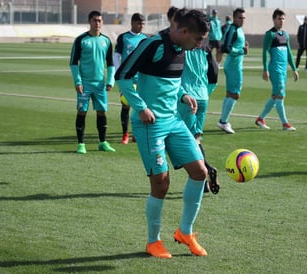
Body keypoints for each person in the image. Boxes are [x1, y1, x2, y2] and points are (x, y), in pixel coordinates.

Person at [115, 9, 210, 259]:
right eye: (198, 39)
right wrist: (142, 107)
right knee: (161, 183)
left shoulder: (183, 49)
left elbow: (172, 81)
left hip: (174, 121)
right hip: (150, 125)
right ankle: (153, 241)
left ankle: (185, 232)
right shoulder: (153, 44)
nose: (200, 44)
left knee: (200, 172)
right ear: (185, 32)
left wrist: (183, 95)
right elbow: (122, 76)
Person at [177, 38, 220, 195]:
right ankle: (203, 184)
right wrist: (206, 92)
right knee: (196, 139)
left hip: (187, 98)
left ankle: (207, 169)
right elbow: (214, 72)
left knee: (185, 142)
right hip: (203, 96)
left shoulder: (182, 46)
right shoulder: (205, 47)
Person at [69, 10, 116, 154]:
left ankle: (102, 142)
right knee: (82, 112)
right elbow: (73, 63)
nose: (98, 23)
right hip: (85, 83)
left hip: (100, 84)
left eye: (100, 20)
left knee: (102, 112)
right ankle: (81, 144)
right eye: (95, 20)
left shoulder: (106, 41)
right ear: (90, 22)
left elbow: (110, 64)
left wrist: (110, 81)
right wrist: (78, 82)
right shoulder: (81, 40)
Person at [255, 8, 299, 131]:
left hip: (283, 70)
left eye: (283, 19)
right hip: (275, 69)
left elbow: (289, 52)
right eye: (279, 19)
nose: (281, 21)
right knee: (280, 96)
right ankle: (285, 124)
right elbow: (264, 52)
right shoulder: (270, 34)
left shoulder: (285, 35)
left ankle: (260, 118)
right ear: (274, 19)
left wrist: (294, 69)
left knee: (275, 96)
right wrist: (265, 69)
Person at [114, 13, 147, 144]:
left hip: (140, 79)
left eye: (143, 24)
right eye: (139, 23)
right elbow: (116, 56)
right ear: (133, 23)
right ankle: (125, 134)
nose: (141, 26)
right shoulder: (124, 38)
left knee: (140, 107)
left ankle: (136, 134)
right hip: (126, 78)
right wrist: (118, 73)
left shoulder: (145, 39)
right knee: (125, 105)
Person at [216, 8, 248, 134]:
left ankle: (223, 120)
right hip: (234, 66)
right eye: (240, 17)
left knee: (230, 94)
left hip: (235, 65)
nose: (242, 20)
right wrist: (241, 51)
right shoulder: (233, 29)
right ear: (234, 18)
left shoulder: (238, 29)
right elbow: (226, 48)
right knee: (235, 94)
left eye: (244, 18)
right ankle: (223, 121)